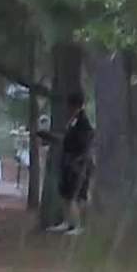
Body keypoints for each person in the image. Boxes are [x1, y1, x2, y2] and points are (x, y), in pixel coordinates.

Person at [40, 92, 94, 236]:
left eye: (70, 106)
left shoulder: (83, 122)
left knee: (78, 194)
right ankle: (67, 222)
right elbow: (66, 140)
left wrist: (80, 161)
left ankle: (79, 225)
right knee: (66, 193)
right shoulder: (73, 121)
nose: (68, 109)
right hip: (68, 161)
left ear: (75, 106)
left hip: (79, 163)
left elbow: (85, 143)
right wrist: (50, 137)